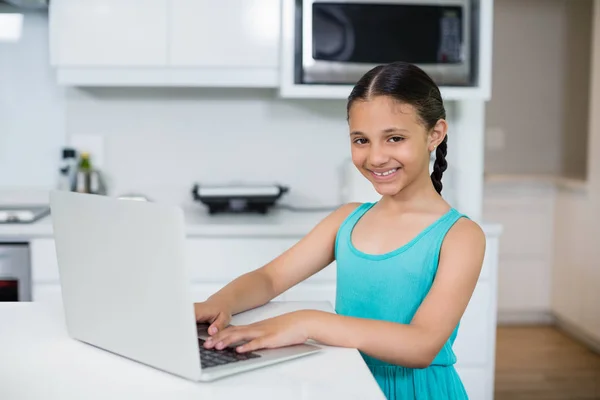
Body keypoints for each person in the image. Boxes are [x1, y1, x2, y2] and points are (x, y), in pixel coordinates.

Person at [194, 61, 486, 400]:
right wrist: (220, 303)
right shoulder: (347, 220)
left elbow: (421, 345)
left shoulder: (460, 236)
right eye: (361, 140)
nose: (376, 157)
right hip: (349, 383)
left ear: (435, 134)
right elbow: (270, 279)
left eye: (394, 138)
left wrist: (310, 322)